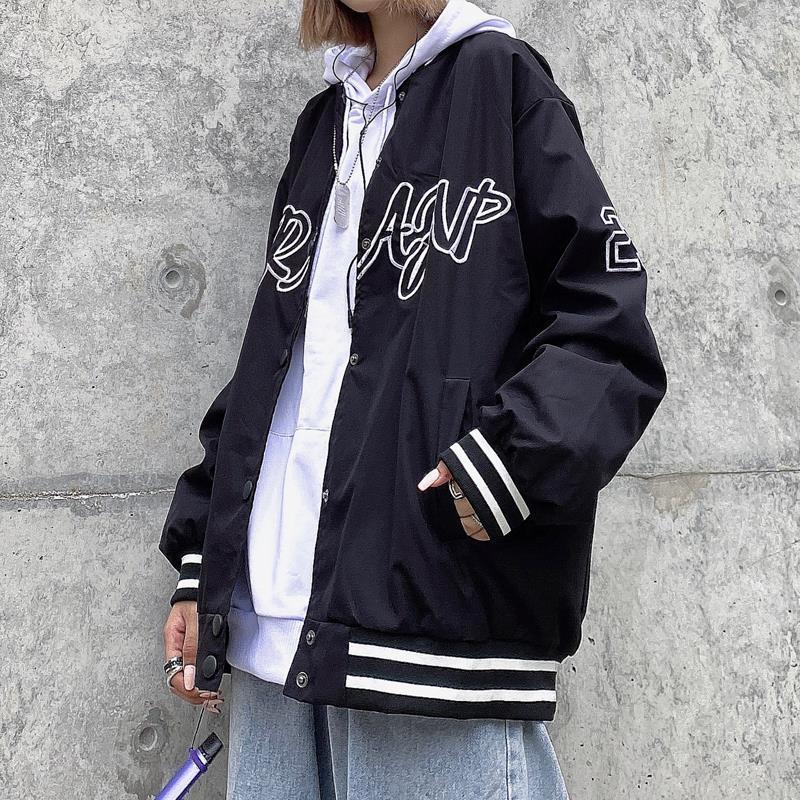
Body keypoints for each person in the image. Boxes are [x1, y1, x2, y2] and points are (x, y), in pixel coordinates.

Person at [159, 0, 667, 797]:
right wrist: (206, 564)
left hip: (428, 632)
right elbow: (278, 359)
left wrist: (509, 461)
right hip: (273, 635)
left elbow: (607, 324)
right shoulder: (323, 124)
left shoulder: (502, 82)